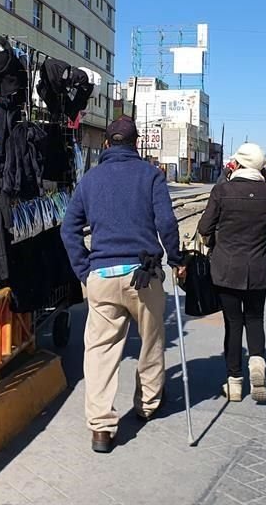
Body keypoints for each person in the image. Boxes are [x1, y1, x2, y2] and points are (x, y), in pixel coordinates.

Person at [60, 117, 185, 454]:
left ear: (106, 145)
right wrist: (175, 257)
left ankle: (101, 429)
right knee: (151, 341)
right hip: (143, 276)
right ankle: (146, 404)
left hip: (101, 277)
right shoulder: (151, 176)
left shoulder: (90, 180)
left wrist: (85, 270)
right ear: (136, 142)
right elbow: (167, 223)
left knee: (100, 352)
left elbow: (68, 229)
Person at [197, 143, 266, 403]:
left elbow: (204, 226)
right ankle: (257, 364)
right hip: (257, 267)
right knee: (255, 319)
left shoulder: (222, 190)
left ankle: (234, 383)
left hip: (227, 268)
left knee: (233, 324)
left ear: (238, 164)